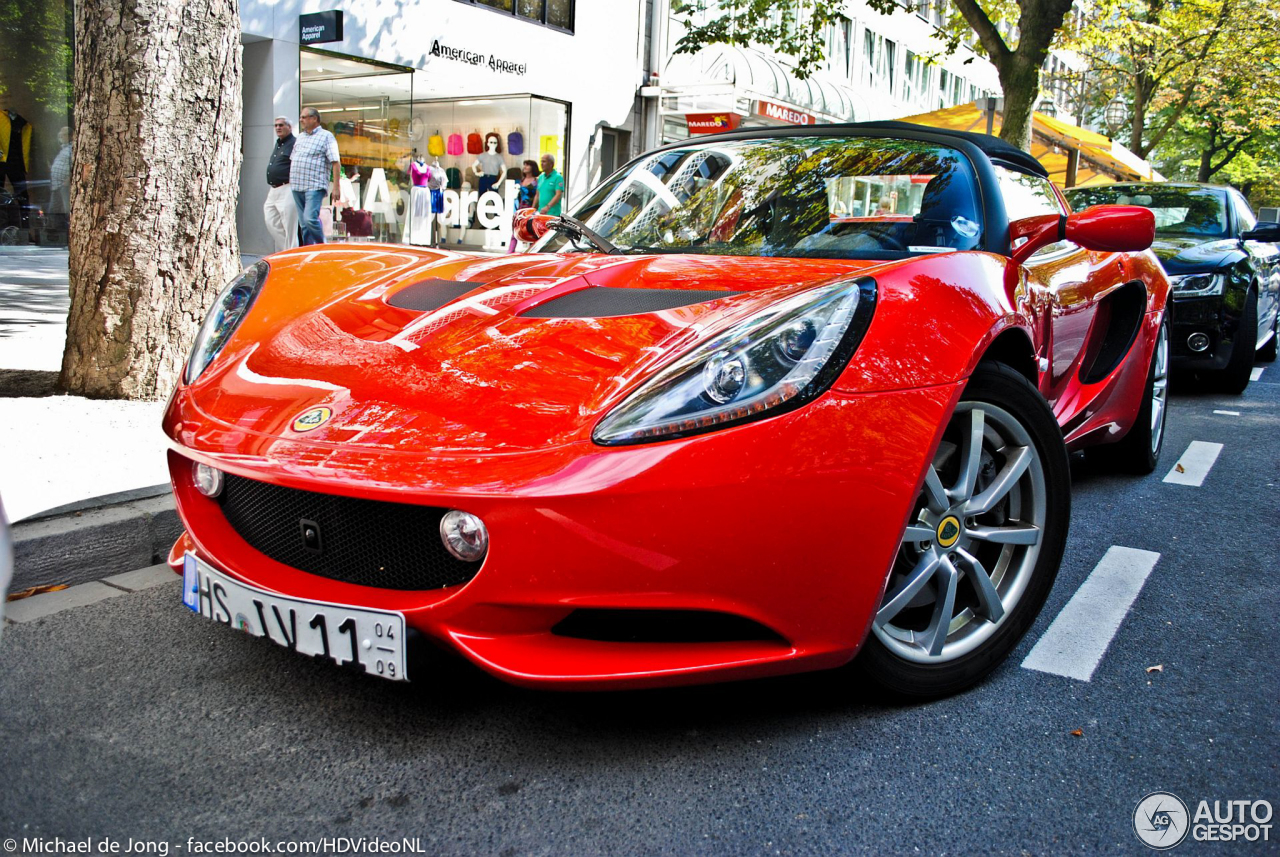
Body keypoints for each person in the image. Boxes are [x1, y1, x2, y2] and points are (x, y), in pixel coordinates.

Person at [290, 106, 342, 245]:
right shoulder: (300, 137)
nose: (301, 120)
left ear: (314, 119)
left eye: (304, 117)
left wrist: (336, 187)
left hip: (314, 185)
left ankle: (322, 247)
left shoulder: (326, 136)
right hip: (297, 185)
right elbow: (293, 158)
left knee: (310, 219)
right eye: (300, 117)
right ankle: (309, 252)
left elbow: (336, 162)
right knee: (304, 225)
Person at [263, 116, 298, 252]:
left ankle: (292, 253)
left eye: (281, 125)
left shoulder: (295, 143)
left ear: (289, 127)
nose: (278, 128)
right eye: (276, 125)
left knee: (289, 225)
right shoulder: (278, 143)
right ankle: (289, 251)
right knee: (271, 220)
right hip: (274, 189)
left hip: (288, 187)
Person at [509, 159, 540, 252]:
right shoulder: (521, 180)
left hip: (530, 209)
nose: (525, 167)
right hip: (520, 208)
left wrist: (533, 209)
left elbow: (537, 195)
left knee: (531, 232)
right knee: (515, 231)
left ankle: (532, 252)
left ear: (532, 168)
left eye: (528, 165)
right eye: (524, 165)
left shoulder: (536, 181)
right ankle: (510, 252)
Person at [47, 126, 71, 227]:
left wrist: (68, 180)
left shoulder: (73, 148)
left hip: (65, 185)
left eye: (63, 134)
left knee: (67, 211)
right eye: (60, 134)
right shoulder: (64, 149)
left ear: (71, 136)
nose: (60, 136)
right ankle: (54, 232)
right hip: (57, 185)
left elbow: (76, 165)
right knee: (54, 210)